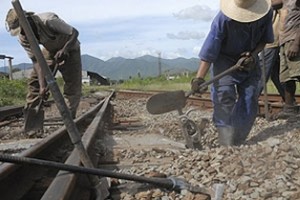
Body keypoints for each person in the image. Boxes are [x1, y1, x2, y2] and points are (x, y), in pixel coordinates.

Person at [191, 0, 274, 146]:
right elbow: (209, 52)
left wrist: (253, 55)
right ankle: (225, 137)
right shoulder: (223, 20)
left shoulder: (266, 14)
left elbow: (264, 40)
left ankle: (237, 138)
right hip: (224, 60)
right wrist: (199, 78)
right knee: (224, 95)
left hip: (249, 61)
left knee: (250, 98)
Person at [5, 8, 82, 119]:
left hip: (70, 47)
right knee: (35, 81)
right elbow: (36, 61)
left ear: (27, 21)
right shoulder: (23, 38)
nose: (22, 33)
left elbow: (74, 33)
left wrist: (65, 49)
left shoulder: (48, 20)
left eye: (22, 29)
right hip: (50, 50)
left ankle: (69, 118)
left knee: (72, 85)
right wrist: (42, 86)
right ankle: (32, 117)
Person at [257, 0, 285, 102]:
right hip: (271, 38)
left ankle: (248, 103)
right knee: (276, 74)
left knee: (261, 72)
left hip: (272, 39)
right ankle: (289, 101)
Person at [276, 0, 300, 118]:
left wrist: (297, 43)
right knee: (287, 78)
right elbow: (273, 4)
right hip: (284, 41)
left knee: (298, 73)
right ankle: (289, 109)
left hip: (294, 40)